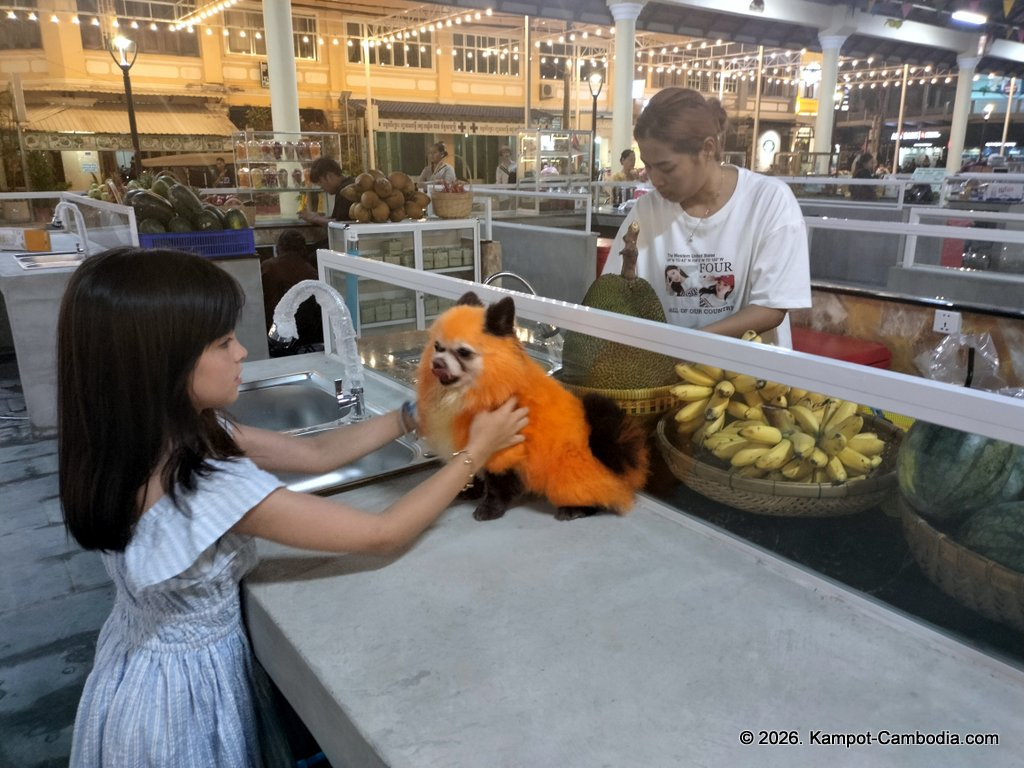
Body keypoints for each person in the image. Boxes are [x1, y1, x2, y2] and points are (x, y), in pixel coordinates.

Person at [58, 246, 529, 767]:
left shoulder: (148, 438)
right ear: (159, 364)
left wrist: (410, 416)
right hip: (180, 705)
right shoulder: (208, 486)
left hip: (130, 669)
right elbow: (382, 534)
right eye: (223, 342)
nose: (242, 353)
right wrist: (476, 453)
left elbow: (313, 453)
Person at [601, 87, 811, 348]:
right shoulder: (647, 211)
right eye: (649, 166)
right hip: (667, 379)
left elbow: (771, 308)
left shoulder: (768, 201)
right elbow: (615, 293)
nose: (655, 180)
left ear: (707, 149)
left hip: (752, 380)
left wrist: (687, 347)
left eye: (666, 167)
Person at [261, 229, 323, 353]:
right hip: (307, 335)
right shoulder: (311, 271)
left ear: (279, 247)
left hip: (276, 334)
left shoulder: (269, 266)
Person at [299, 156, 354, 226]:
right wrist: (317, 217)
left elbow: (341, 225)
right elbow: (340, 218)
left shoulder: (345, 192)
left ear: (328, 176)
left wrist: (315, 219)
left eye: (320, 183)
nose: (322, 188)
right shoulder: (349, 183)